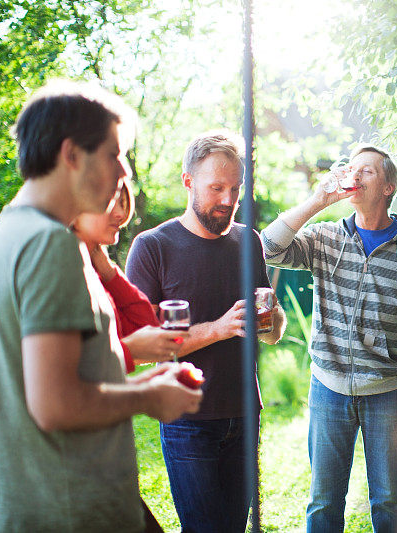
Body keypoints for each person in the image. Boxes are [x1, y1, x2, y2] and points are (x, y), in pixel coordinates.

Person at [0, 80, 203, 532]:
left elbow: (52, 380)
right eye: (114, 154)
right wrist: (149, 396)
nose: (124, 172)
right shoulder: (49, 244)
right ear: (71, 154)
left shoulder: (4, 234)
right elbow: (56, 405)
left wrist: (135, 372)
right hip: (69, 513)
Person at [260, 144, 397, 533]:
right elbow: (269, 247)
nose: (354, 176)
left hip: (392, 394)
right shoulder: (325, 238)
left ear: (388, 187)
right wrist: (318, 200)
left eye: (366, 171)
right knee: (324, 502)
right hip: (328, 389)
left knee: (389, 504)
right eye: (352, 169)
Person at [125, 129, 287, 533]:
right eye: (216, 187)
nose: (229, 200)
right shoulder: (152, 247)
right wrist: (218, 328)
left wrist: (270, 320)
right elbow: (138, 350)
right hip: (187, 420)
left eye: (236, 188)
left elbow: (271, 331)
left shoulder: (247, 241)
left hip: (245, 413)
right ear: (188, 181)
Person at [73, 179, 188, 372]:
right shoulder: (66, 267)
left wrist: (109, 271)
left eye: (122, 203)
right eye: (109, 202)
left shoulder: (97, 271)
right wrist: (130, 351)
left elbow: (146, 328)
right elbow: (72, 366)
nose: (120, 213)